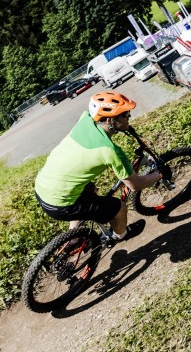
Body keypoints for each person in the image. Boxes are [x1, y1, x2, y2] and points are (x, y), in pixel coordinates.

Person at [34, 91, 163, 241]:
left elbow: (97, 120)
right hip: (60, 205)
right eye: (125, 114)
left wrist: (128, 128)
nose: (129, 116)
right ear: (109, 120)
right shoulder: (109, 151)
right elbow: (135, 185)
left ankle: (73, 238)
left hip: (42, 187)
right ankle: (120, 235)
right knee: (119, 208)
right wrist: (160, 174)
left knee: (90, 189)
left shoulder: (85, 118)